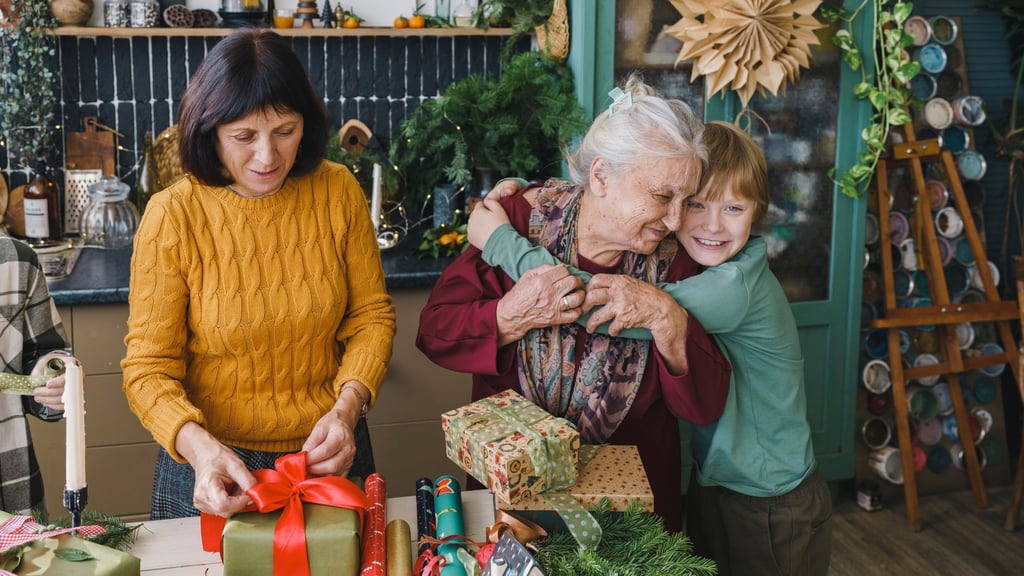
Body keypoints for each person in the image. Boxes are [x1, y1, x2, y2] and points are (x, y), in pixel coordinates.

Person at [468, 121, 832, 575]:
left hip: (771, 497)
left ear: (759, 211)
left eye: (734, 208)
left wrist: (502, 241)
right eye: (693, 204)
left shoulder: (734, 287)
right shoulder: (714, 270)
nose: (709, 225)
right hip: (720, 478)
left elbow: (592, 302)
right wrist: (527, 196)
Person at [416, 75, 732, 532]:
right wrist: (509, 316)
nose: (676, 219)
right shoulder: (520, 221)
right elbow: (435, 331)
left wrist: (669, 319)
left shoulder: (680, 258)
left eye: (688, 200)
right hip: (510, 502)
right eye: (663, 197)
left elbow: (705, 404)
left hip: (630, 515)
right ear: (601, 176)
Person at [121, 29, 396, 520]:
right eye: (244, 137)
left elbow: (371, 318)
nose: (267, 157)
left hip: (328, 453)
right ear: (209, 132)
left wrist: (348, 408)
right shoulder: (173, 217)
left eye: (284, 131)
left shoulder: (337, 192)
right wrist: (200, 448)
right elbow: (147, 371)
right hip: (210, 467)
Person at [1, 234, 69, 517]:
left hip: (9, 484)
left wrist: (55, 376)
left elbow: (46, 356)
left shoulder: (15, 261)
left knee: (23, 562)